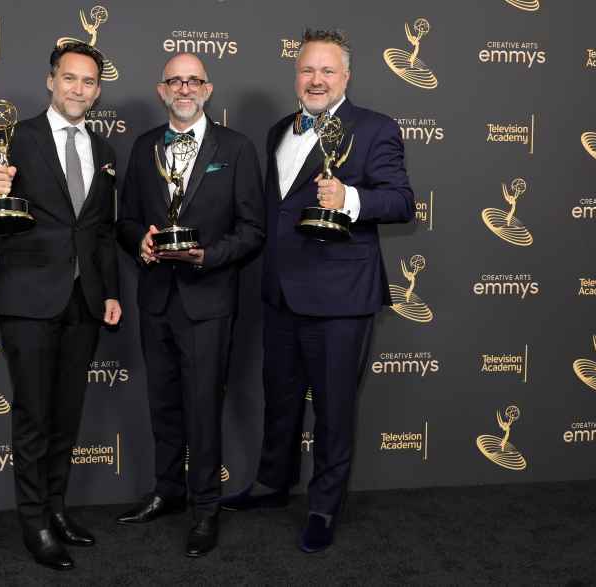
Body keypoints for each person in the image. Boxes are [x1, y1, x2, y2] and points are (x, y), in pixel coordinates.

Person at [221, 29, 414, 553]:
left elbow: (400, 201)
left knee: (332, 409)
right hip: (280, 292)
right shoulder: (280, 130)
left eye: (328, 71)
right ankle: (270, 483)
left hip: (340, 297)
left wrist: (349, 196)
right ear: (296, 75)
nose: (316, 79)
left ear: (346, 77)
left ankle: (324, 506)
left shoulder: (374, 129)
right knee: (279, 400)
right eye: (308, 70)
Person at [0, 41, 122, 571]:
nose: (78, 89)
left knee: (66, 414)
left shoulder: (103, 150)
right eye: (69, 78)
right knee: (34, 415)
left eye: (88, 82)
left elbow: (101, 231)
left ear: (97, 91)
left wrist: (111, 293)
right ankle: (33, 520)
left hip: (83, 302)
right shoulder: (16, 137)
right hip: (30, 300)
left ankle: (57, 509)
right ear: (51, 81)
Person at [115, 53, 265, 557]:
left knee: (203, 408)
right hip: (155, 296)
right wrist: (140, 241)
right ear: (161, 91)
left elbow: (253, 230)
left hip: (208, 299)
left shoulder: (237, 149)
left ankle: (205, 508)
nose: (184, 89)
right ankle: (167, 491)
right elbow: (126, 220)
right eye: (174, 81)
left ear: (208, 88)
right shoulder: (142, 149)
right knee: (163, 405)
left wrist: (208, 256)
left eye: (193, 80)